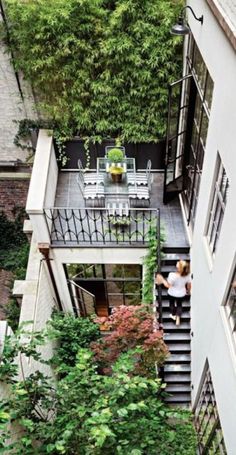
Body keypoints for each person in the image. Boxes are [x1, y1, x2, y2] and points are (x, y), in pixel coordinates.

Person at [156, 260, 191, 326]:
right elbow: (189, 285)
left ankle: (173, 314)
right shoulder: (187, 275)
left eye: (178, 263)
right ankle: (178, 317)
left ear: (179, 267)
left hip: (172, 293)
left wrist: (162, 280)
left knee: (171, 303)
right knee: (179, 305)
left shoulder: (172, 275)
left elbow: (168, 285)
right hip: (181, 293)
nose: (177, 262)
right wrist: (188, 291)